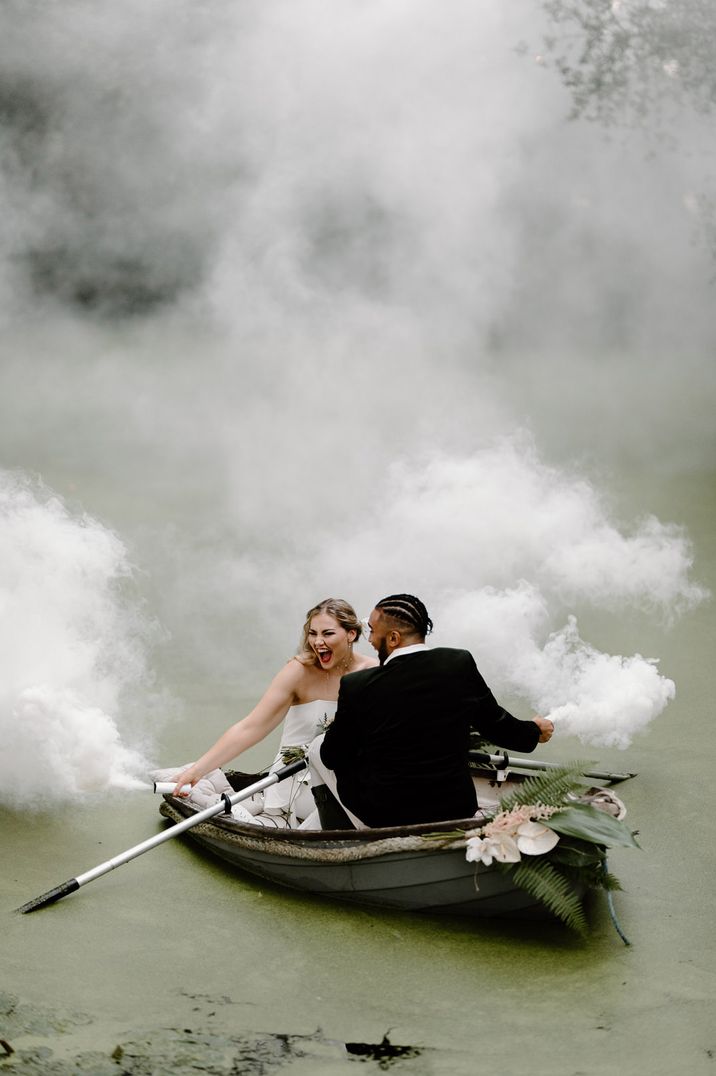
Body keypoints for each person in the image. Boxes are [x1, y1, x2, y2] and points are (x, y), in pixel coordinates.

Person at [308, 593, 554, 829]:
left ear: (393, 638)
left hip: (385, 816)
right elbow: (498, 726)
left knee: (318, 747)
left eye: (372, 631)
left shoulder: (357, 685)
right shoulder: (459, 663)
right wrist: (534, 731)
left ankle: (346, 835)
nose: (370, 640)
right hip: (456, 808)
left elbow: (332, 756)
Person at [157, 598, 377, 827]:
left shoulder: (373, 672)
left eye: (328, 634)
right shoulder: (298, 671)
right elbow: (251, 727)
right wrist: (198, 771)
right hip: (294, 782)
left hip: (345, 779)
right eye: (313, 633)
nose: (318, 642)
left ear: (351, 634)